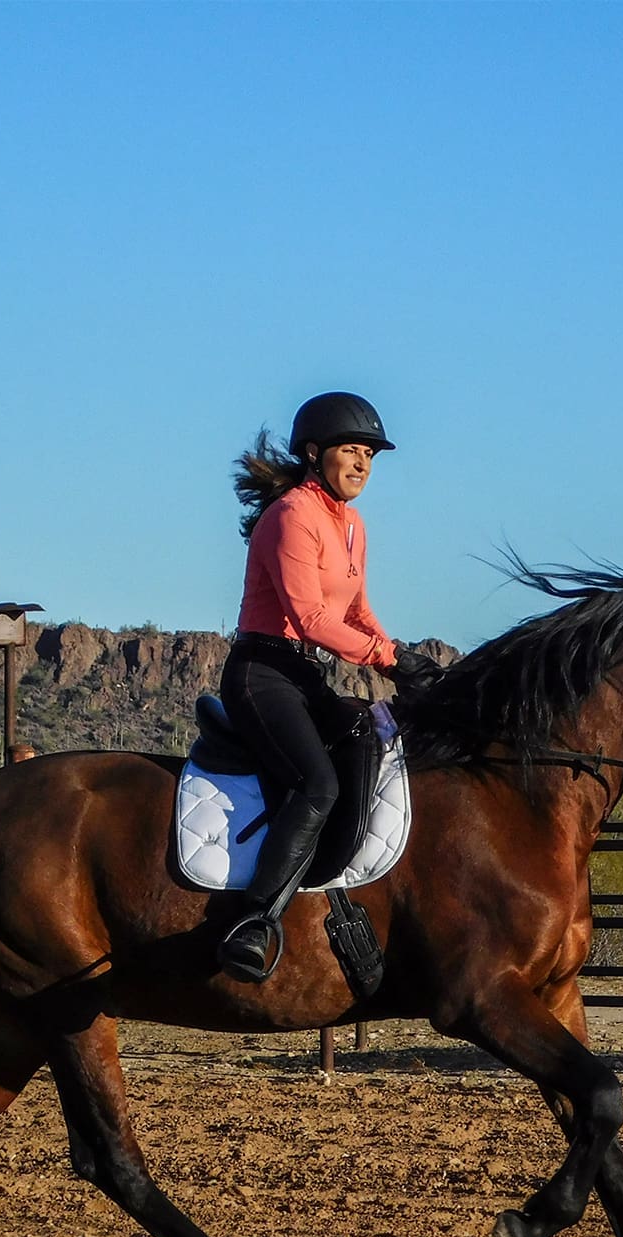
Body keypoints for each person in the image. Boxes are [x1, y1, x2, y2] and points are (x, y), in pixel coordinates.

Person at [217, 391, 442, 982]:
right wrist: (388, 657)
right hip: (261, 673)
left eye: (370, 453)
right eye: (352, 449)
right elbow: (312, 617)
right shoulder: (292, 515)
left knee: (365, 736)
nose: (364, 462)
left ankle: (338, 895)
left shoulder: (351, 524)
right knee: (315, 783)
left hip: (303, 675)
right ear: (315, 454)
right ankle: (253, 921)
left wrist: (403, 661)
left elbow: (359, 611)